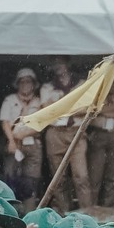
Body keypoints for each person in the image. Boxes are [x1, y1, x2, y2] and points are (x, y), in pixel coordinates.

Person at [39, 59, 96, 213]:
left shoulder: (82, 84)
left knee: (81, 176)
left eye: (61, 62)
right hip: (55, 133)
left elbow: (90, 108)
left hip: (76, 131)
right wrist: (74, 106)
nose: (58, 66)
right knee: (58, 179)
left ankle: (87, 214)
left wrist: (60, 106)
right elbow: (47, 111)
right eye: (55, 62)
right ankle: (65, 215)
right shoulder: (47, 87)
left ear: (68, 64)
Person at [86, 74, 114, 216]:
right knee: (95, 176)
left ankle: (108, 210)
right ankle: (92, 210)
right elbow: (92, 112)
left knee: (113, 176)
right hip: (99, 135)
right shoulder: (97, 95)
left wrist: (104, 110)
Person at [0, 68, 46, 201]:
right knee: (10, 177)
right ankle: (12, 207)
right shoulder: (10, 100)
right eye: (22, 82)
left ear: (33, 84)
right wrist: (12, 141)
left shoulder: (39, 102)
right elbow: (5, 121)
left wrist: (25, 133)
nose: (25, 85)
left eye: (28, 82)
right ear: (17, 84)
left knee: (32, 179)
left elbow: (42, 123)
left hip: (33, 143)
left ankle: (29, 211)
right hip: (14, 143)